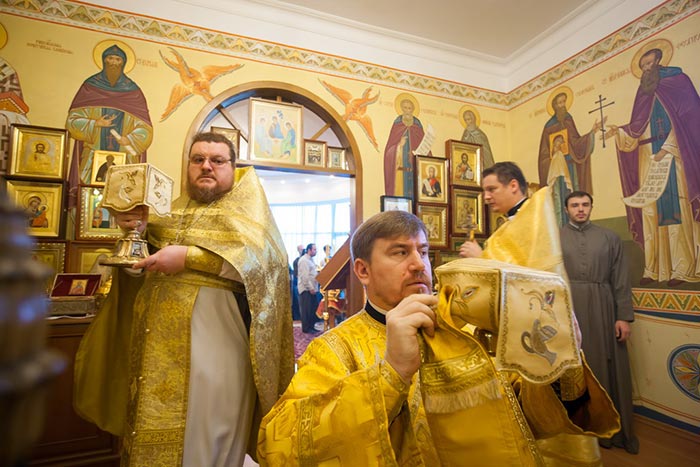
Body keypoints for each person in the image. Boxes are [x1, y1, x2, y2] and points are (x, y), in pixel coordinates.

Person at [257, 210, 619, 465]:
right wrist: (391, 374)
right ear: (363, 270)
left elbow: (533, 424)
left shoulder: (467, 332)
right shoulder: (334, 349)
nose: (419, 264)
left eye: (423, 251)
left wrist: (559, 362)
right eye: (400, 252)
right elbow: (279, 447)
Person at [74, 131, 294, 466]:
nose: (206, 166)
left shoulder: (250, 219)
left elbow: (266, 268)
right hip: (155, 351)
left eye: (217, 160)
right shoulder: (167, 215)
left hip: (218, 350)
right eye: (198, 159)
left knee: (208, 433)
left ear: (232, 168)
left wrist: (188, 258)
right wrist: (133, 240)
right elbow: (138, 272)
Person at [605, 44, 700, 287]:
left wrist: (667, 149)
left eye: (650, 63)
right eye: (643, 65)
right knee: (651, 212)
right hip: (648, 157)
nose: (647, 68)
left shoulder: (679, 82)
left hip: (673, 156)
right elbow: (637, 127)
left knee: (677, 209)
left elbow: (689, 121)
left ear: (659, 61)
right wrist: (621, 133)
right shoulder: (644, 91)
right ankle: (655, 268)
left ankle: (682, 268)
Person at [561, 191, 639, 454]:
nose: (580, 209)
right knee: (573, 370)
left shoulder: (610, 238)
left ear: (591, 207)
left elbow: (621, 279)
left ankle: (613, 431)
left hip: (605, 309)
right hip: (568, 310)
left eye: (585, 204)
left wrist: (623, 317)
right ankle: (577, 431)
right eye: (575, 205)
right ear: (566, 209)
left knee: (609, 367)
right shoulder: (554, 239)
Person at [66, 44, 153, 206]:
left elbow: (146, 129)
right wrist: (95, 123)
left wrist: (130, 139)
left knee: (124, 198)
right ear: (103, 60)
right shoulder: (89, 87)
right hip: (91, 156)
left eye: (117, 59)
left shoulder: (134, 92)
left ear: (123, 63)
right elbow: (72, 121)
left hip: (125, 160)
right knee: (87, 201)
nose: (113, 62)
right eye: (110, 58)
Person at [537, 88, 602, 225]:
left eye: (564, 102)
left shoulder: (568, 119)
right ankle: (559, 226)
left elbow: (576, 142)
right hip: (555, 170)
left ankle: (575, 225)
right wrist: (552, 157)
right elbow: (543, 154)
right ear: (554, 106)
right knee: (558, 198)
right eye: (560, 103)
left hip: (570, 167)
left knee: (572, 193)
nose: (563, 105)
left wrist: (591, 133)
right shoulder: (548, 126)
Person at [383, 95, 429, 198]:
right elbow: (389, 151)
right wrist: (399, 145)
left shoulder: (417, 124)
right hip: (400, 172)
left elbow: (424, 144)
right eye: (405, 108)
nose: (407, 111)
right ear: (402, 109)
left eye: (409, 108)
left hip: (415, 171)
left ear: (413, 109)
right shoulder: (398, 123)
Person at [298, 242, 320, 333]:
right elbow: (305, 277)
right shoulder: (304, 260)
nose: (316, 251)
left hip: (312, 289)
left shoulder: (311, 260)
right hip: (306, 289)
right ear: (309, 250)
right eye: (314, 249)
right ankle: (306, 328)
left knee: (312, 309)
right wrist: (310, 288)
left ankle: (311, 326)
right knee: (306, 310)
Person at [291, 244, 304, 321]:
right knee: (297, 300)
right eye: (301, 249)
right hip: (298, 283)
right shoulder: (296, 261)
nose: (303, 251)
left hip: (303, 283)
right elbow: (297, 273)